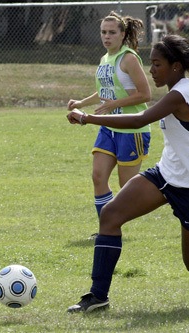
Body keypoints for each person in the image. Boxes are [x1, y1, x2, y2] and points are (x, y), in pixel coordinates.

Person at [66, 34, 189, 313]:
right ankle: (98, 297)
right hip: (165, 175)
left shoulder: (181, 94)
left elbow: (140, 119)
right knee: (110, 215)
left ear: (176, 66)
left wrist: (88, 117)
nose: (151, 70)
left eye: (157, 64)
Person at [67, 11, 151, 238]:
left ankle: (174, 198)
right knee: (98, 176)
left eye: (112, 32)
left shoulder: (129, 58)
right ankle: (107, 229)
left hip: (131, 129)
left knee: (129, 190)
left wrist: (115, 103)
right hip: (108, 127)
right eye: (104, 32)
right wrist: (82, 102)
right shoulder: (105, 59)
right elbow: (106, 91)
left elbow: (145, 95)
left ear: (123, 34)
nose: (106, 36)